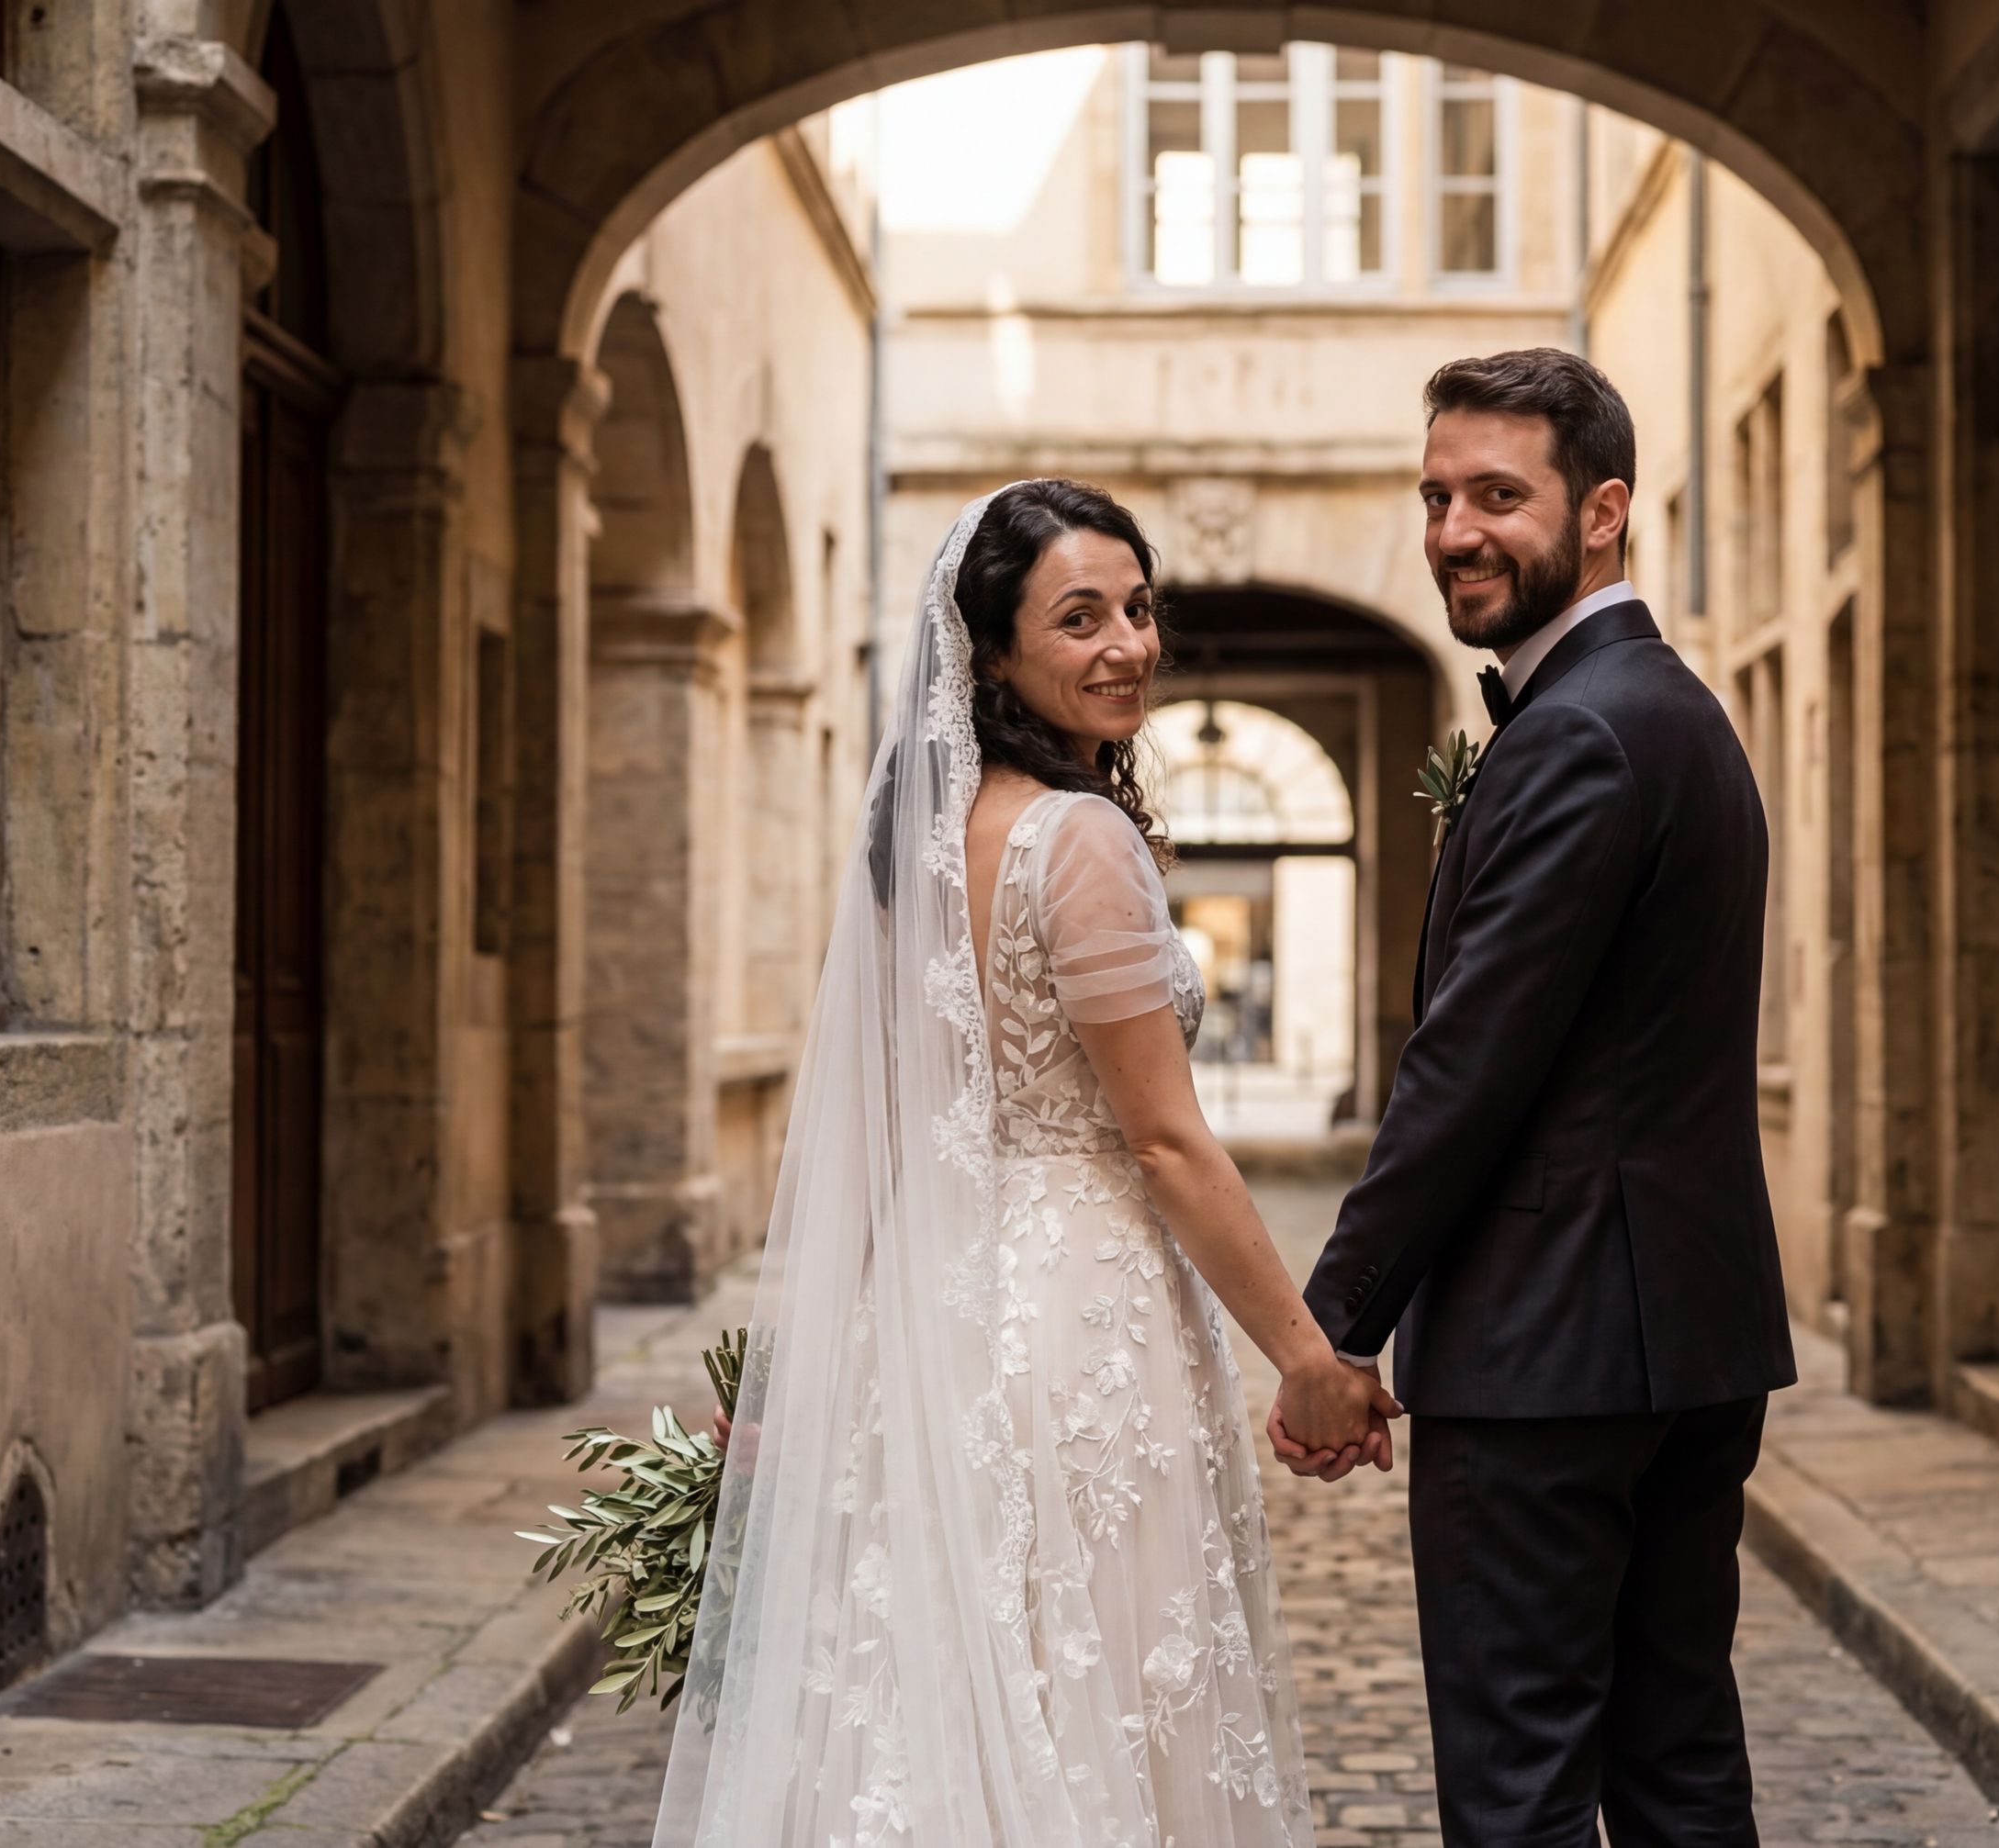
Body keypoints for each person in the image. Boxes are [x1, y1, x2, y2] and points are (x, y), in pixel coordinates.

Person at [659, 479, 1394, 1848]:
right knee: (1089, 1684)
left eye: (1138, 607)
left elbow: (894, 1138)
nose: (1128, 644)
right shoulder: (1081, 839)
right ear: (991, 652)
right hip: (1076, 1328)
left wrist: (813, 1373)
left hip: (930, 1317)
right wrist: (1305, 1352)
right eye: (1080, 617)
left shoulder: (920, 846)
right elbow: (1167, 1142)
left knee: (948, 1680)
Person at [1275, 350, 1798, 1846]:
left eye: (1499, 495)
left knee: (1519, 1792)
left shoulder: (1577, 732)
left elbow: (1470, 1065)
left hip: (1550, 1358)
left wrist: (1333, 1330)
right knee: (1678, 1754)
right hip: (1686, 1338)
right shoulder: (1668, 711)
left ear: (1606, 511)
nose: (1454, 529)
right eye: (1437, 495)